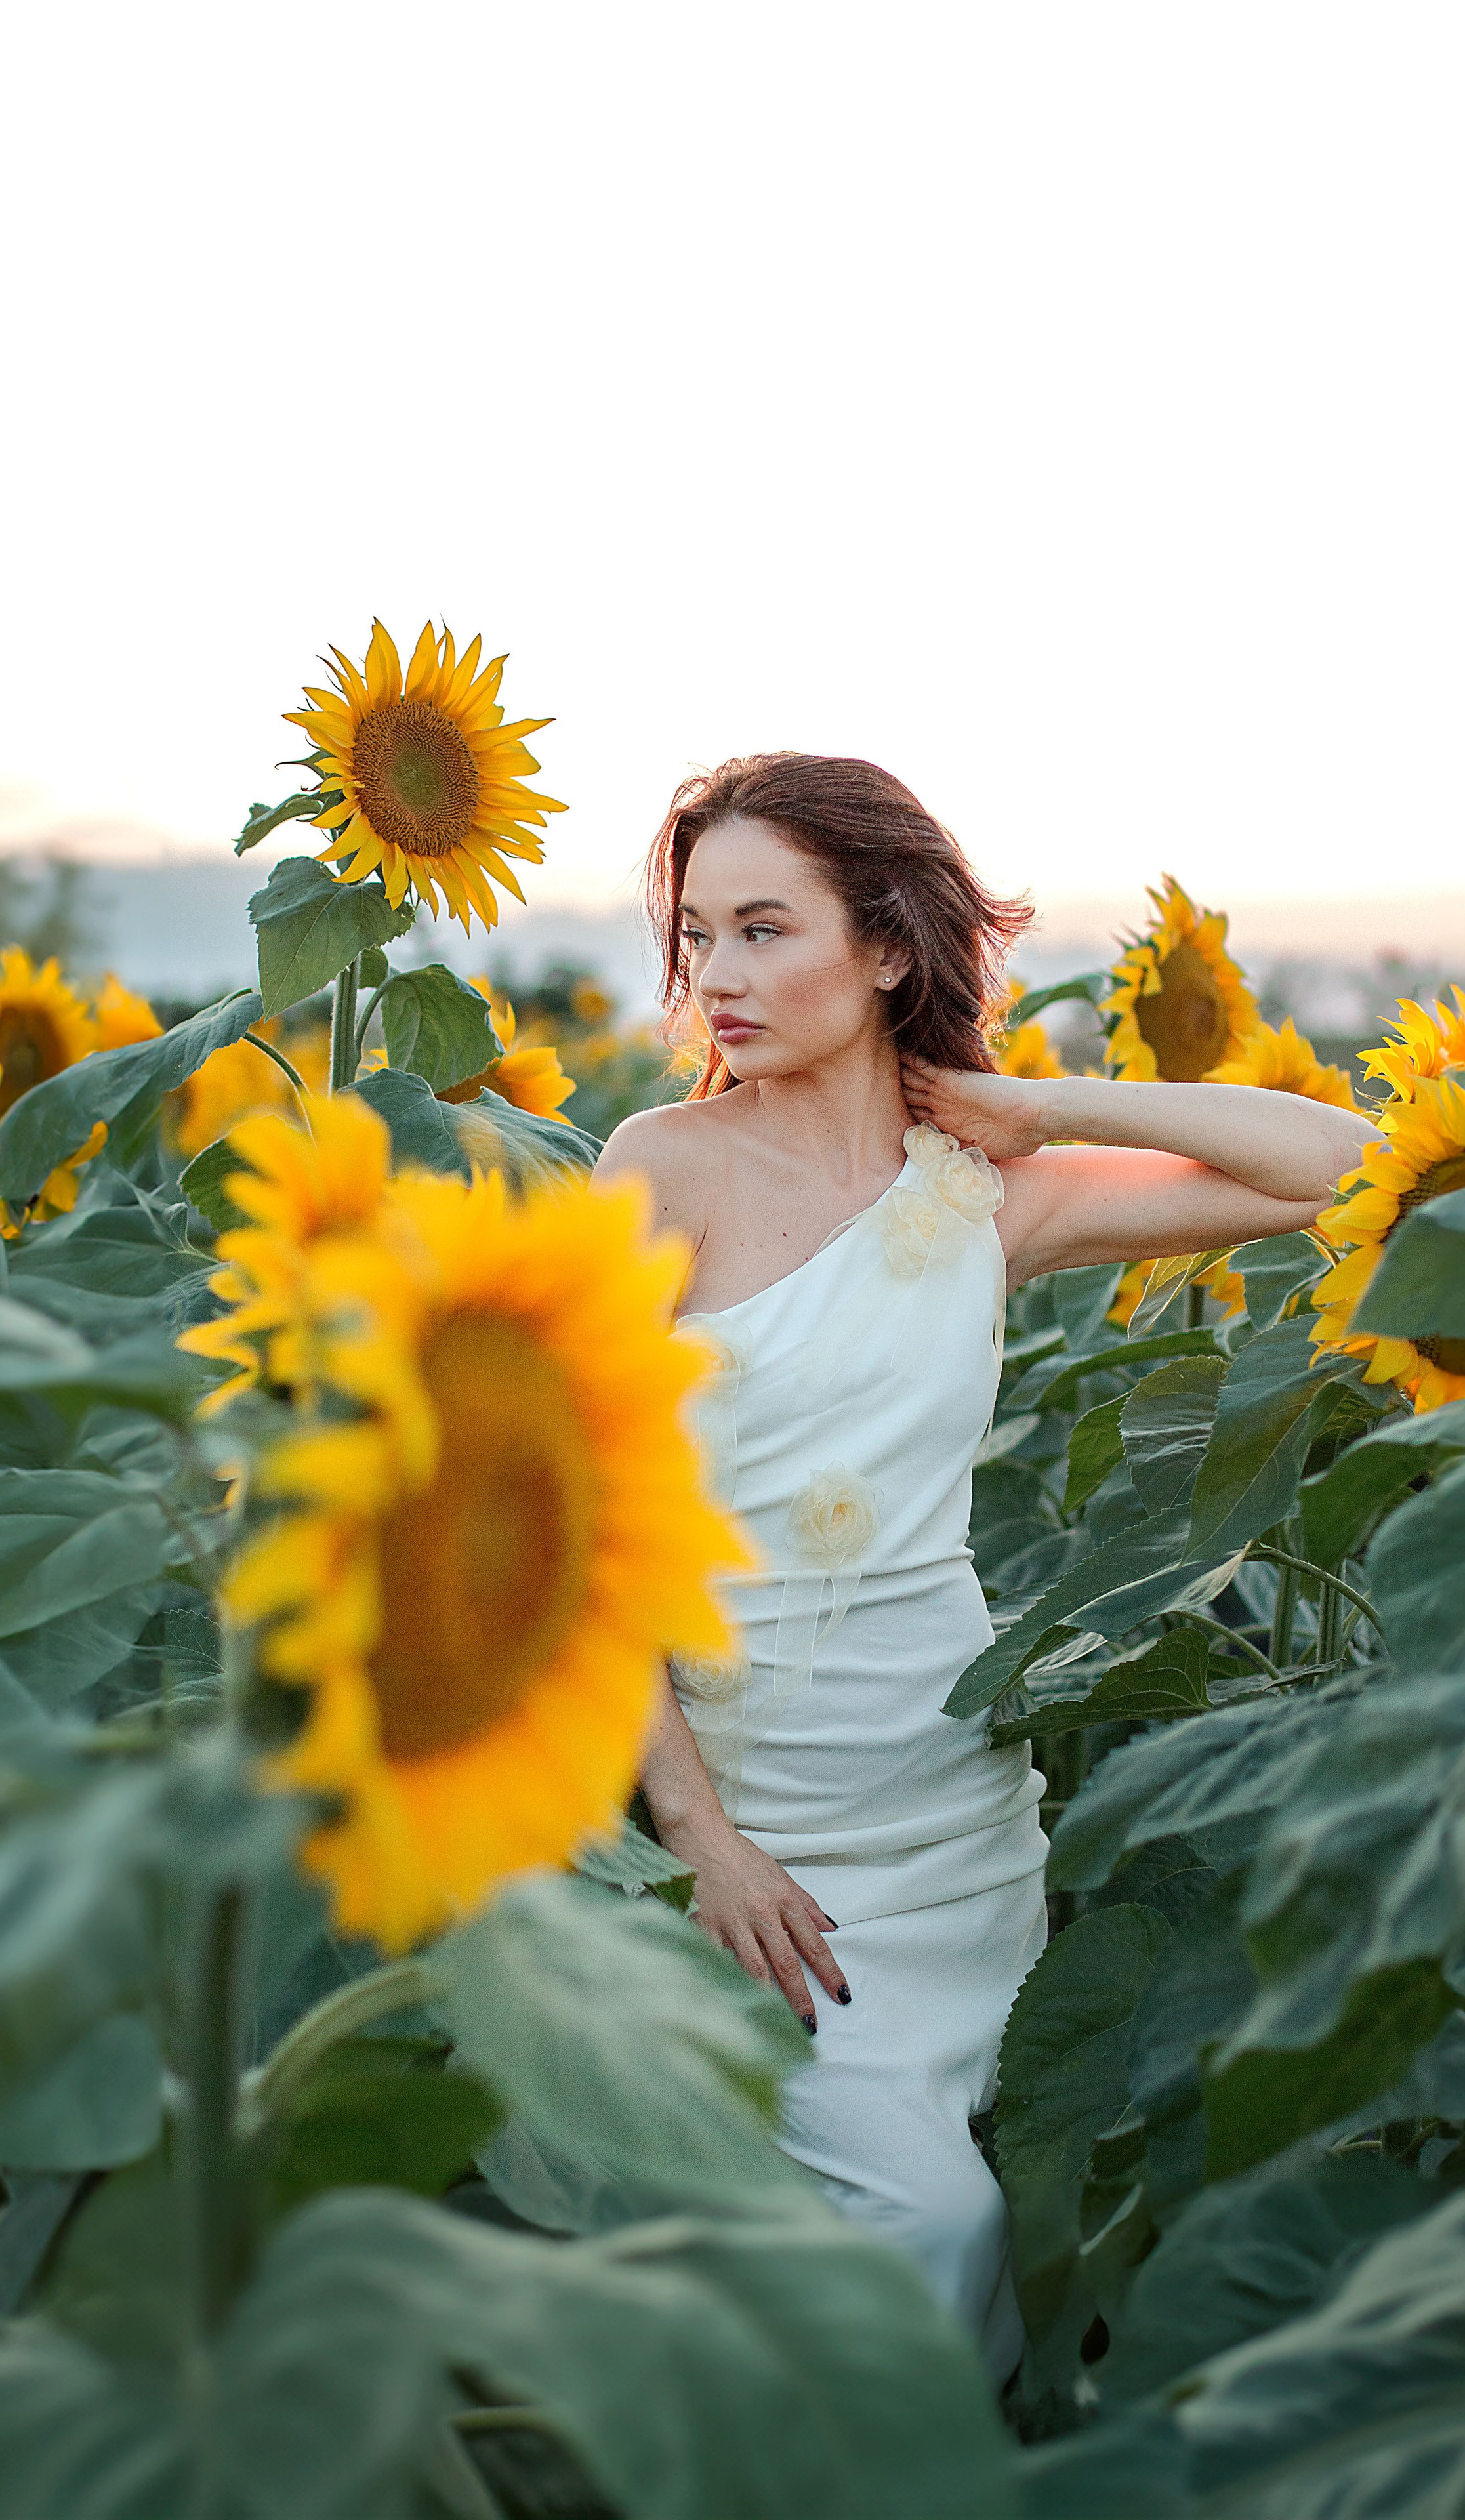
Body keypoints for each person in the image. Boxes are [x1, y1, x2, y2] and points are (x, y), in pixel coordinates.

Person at [592, 753, 1371, 2380]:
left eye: (758, 928)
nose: (714, 977)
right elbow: (584, 1534)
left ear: (883, 947)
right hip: (759, 1839)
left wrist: (1046, 1105)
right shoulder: (655, 1172)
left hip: (953, 1817)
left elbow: (1337, 1166)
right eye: (697, 935)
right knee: (925, 2222)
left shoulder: (981, 1198)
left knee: (997, 2225)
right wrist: (698, 1837)